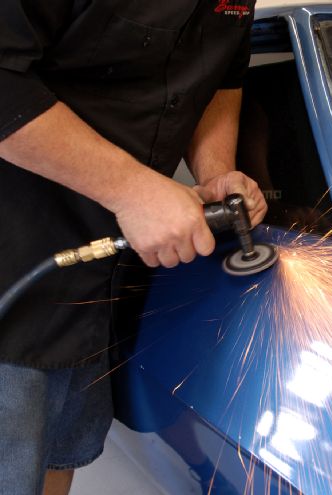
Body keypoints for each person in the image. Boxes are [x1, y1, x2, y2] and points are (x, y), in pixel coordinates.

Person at [0, 1, 265, 494]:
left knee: (60, 458)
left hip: (98, 289)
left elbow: (223, 75)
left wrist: (217, 173)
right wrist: (133, 190)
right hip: (15, 272)